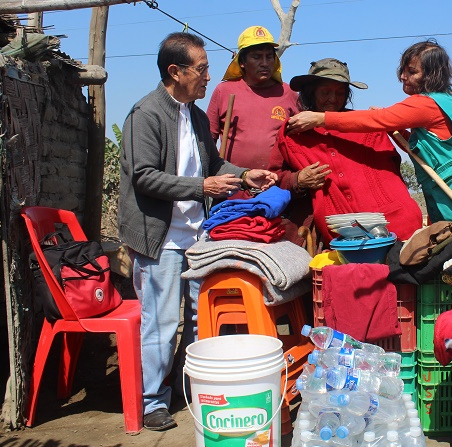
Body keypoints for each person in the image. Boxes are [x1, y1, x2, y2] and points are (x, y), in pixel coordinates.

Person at [118, 32, 277, 431]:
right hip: (161, 238)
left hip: (194, 235)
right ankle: (152, 400)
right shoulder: (146, 115)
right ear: (176, 71)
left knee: (195, 320)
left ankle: (186, 385)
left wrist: (242, 176)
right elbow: (144, 177)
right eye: (202, 69)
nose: (209, 77)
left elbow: (212, 163)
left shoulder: (195, 115)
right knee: (162, 322)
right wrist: (202, 188)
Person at [286, 39, 452, 225]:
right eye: (403, 69)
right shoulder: (446, 100)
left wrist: (320, 118)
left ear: (431, 74)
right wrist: (397, 132)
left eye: (412, 72)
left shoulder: (426, 105)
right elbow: (425, 149)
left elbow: (379, 119)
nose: (403, 76)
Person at [269, 58, 423, 244]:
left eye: (340, 93)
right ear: (310, 92)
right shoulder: (294, 132)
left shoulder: (365, 126)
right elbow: (272, 179)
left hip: (388, 225)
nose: (333, 99)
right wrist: (298, 180)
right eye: (325, 92)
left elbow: (392, 172)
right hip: (331, 233)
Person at [206, 25, 299, 200]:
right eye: (257, 57)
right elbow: (206, 143)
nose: (265, 63)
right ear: (242, 62)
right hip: (232, 190)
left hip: (275, 191)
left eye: (269, 56)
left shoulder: (289, 93)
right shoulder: (224, 91)